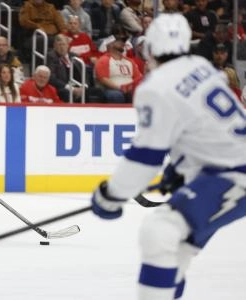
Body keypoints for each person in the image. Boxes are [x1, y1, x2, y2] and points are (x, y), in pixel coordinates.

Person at [90, 14, 246, 300]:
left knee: (159, 231)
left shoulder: (156, 86)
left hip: (232, 175)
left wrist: (110, 196)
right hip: (227, 170)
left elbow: (144, 158)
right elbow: (205, 130)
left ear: (149, 48)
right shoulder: (202, 67)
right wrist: (182, 168)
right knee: (176, 251)